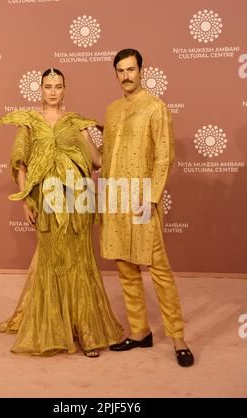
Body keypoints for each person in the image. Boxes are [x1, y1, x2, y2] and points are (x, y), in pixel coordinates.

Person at [0, 68, 123, 357]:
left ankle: (87, 334)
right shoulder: (29, 123)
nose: (53, 91)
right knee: (53, 258)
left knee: (80, 258)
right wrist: (26, 201)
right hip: (47, 198)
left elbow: (97, 162)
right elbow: (21, 164)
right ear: (40, 88)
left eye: (58, 86)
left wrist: (108, 142)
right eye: (48, 86)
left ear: (65, 89)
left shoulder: (77, 123)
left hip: (79, 198)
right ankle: (54, 329)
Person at [100, 49, 194, 367]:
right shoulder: (112, 110)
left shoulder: (156, 107)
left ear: (141, 70)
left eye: (131, 69)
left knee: (159, 270)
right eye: (120, 71)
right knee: (126, 269)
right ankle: (140, 332)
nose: (126, 75)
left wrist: (151, 199)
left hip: (142, 200)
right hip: (115, 198)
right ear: (115, 74)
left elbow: (165, 156)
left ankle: (178, 337)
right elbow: (108, 156)